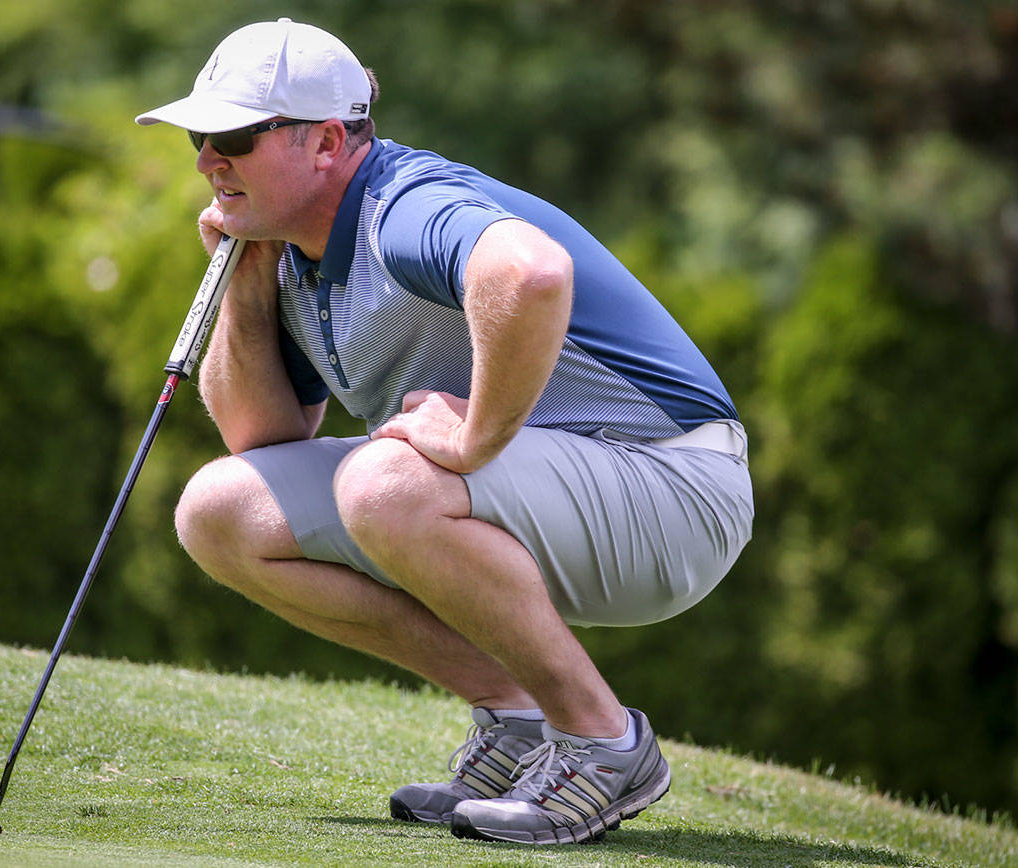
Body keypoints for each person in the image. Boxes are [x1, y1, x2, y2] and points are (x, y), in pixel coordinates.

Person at [136, 18, 753, 846]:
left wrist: (475, 441)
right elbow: (262, 438)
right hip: (573, 493)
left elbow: (530, 274)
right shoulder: (296, 251)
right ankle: (518, 717)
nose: (210, 160)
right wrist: (245, 285)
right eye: (199, 138)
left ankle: (605, 744)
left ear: (325, 143)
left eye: (236, 137)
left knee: (383, 486)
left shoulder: (402, 206)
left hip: (676, 486)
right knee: (219, 511)